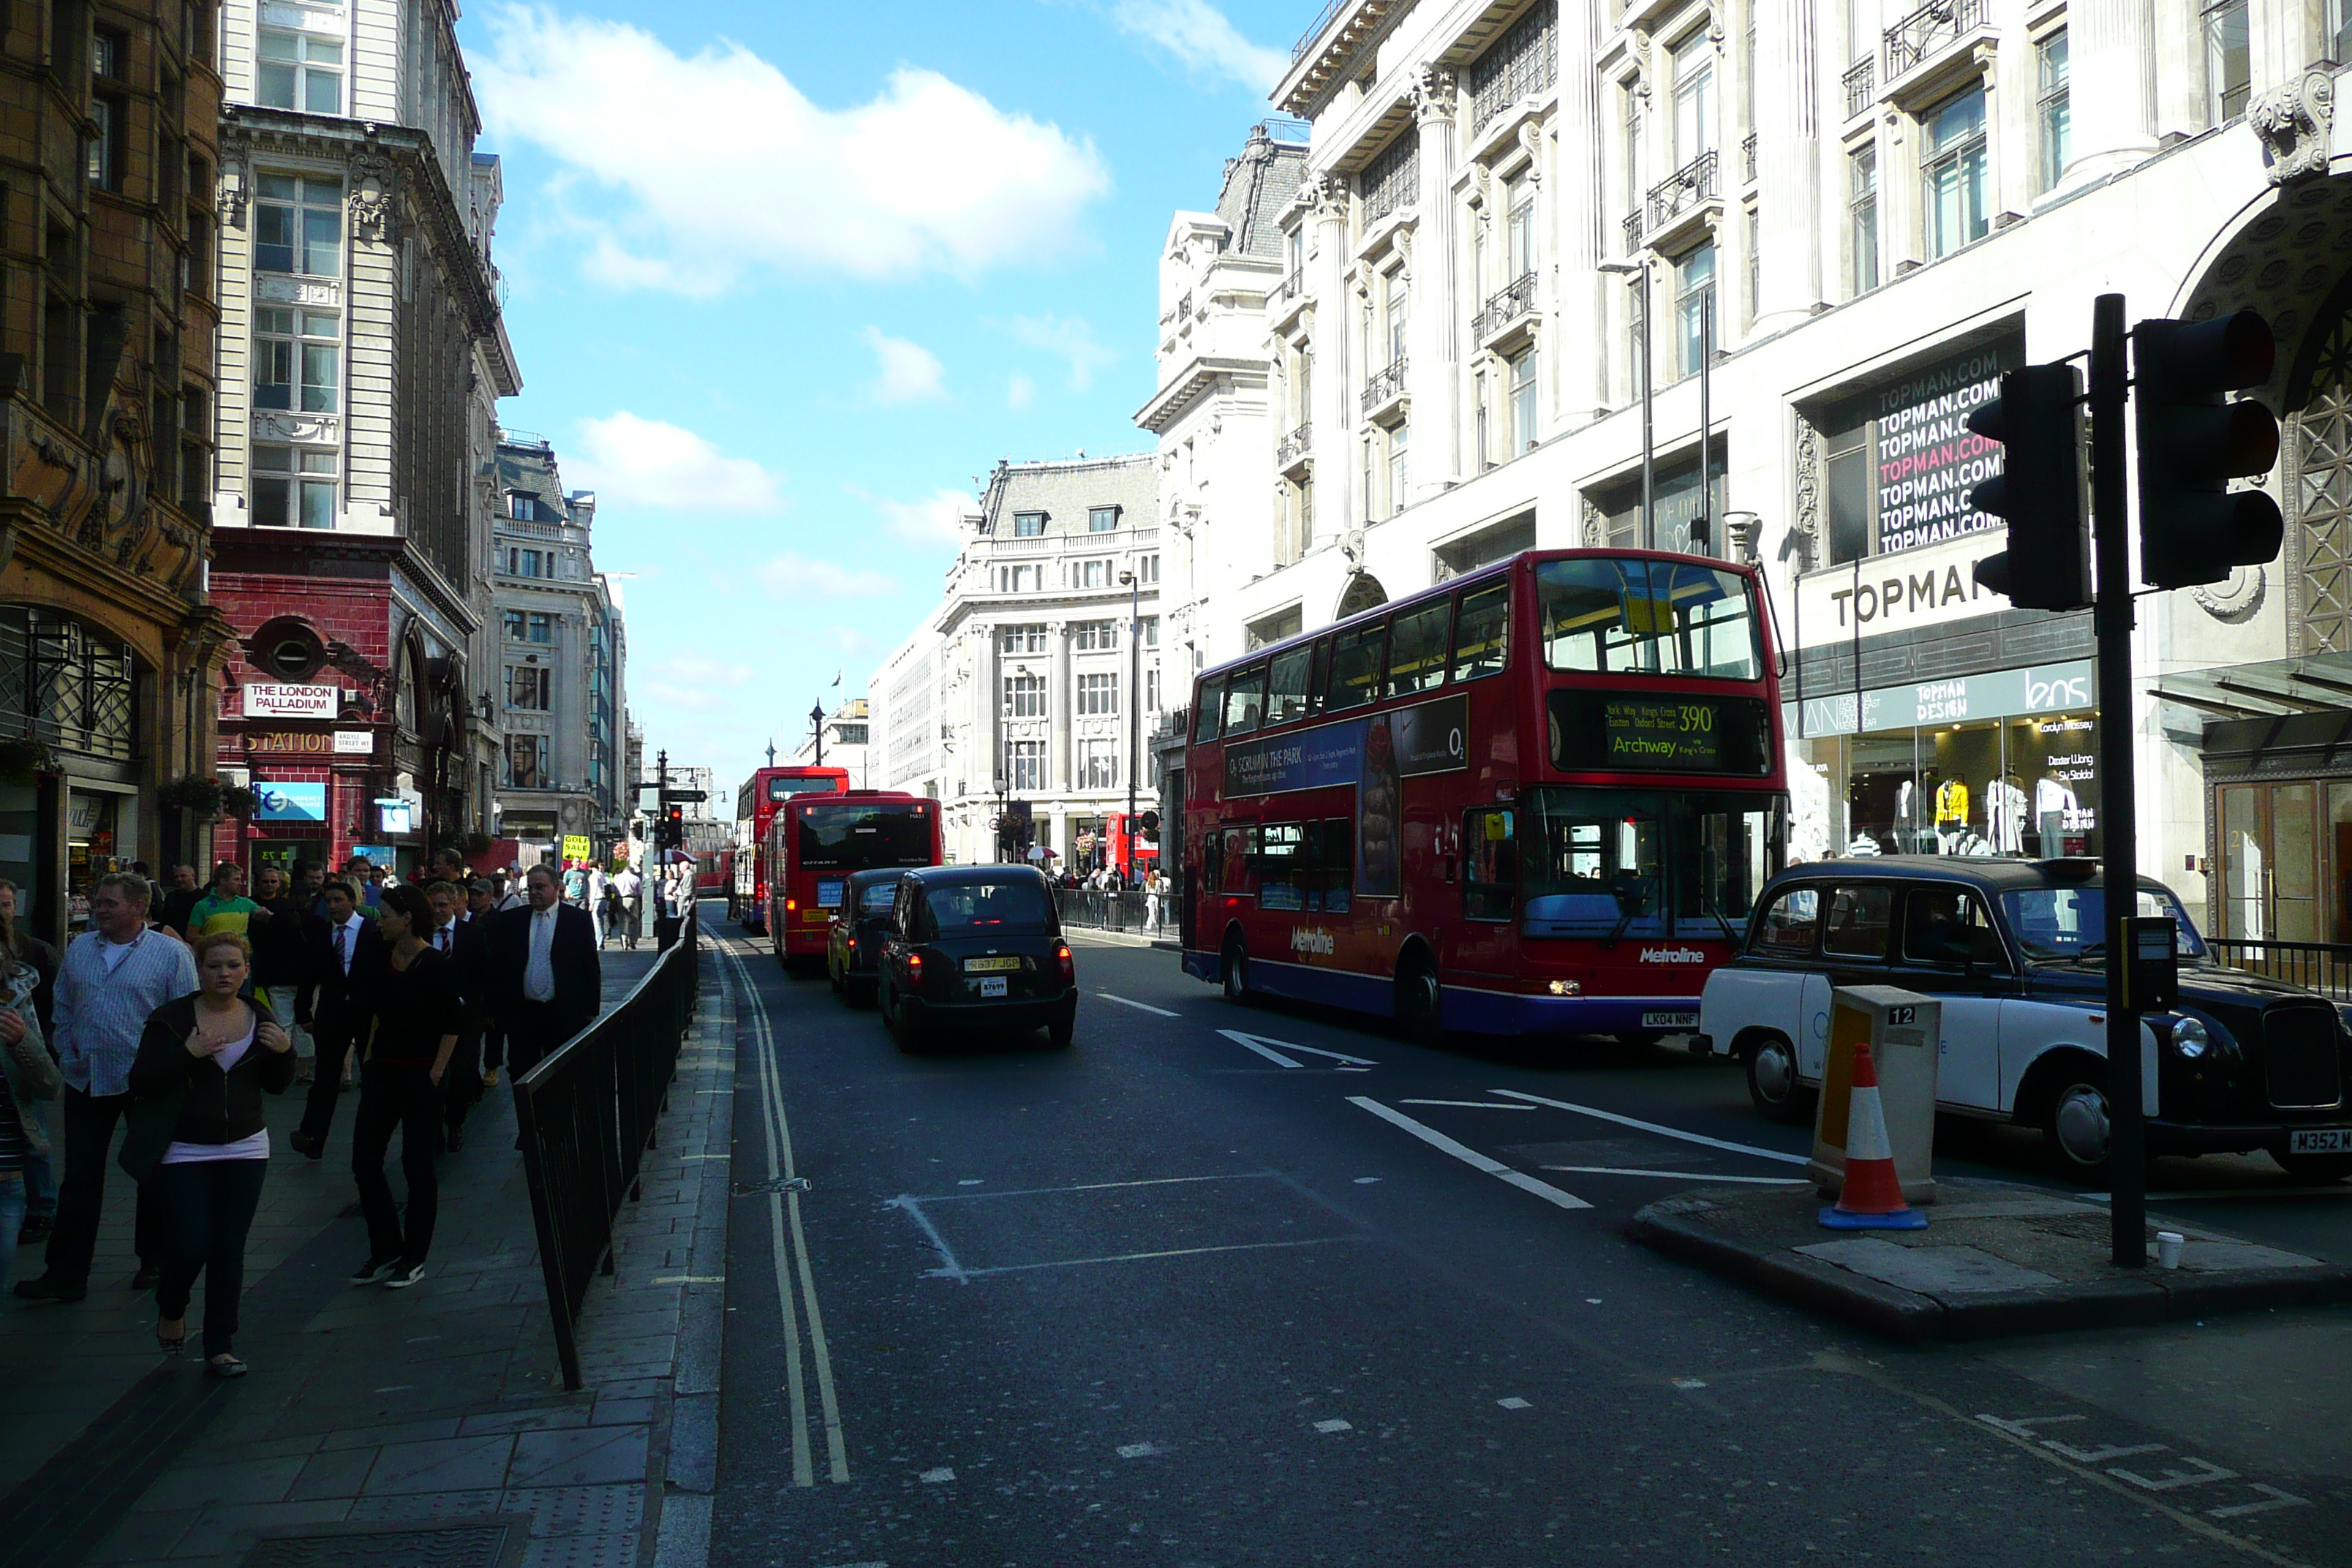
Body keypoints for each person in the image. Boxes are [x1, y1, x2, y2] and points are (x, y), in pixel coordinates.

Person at [12, 874, 197, 1303]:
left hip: (146, 1081)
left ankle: (154, 1261)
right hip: (88, 1075)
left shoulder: (169, 954)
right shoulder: (80, 948)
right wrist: (66, 1048)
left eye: (110, 903)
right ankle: (66, 1274)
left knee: (149, 1172)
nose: (99, 908)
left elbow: (186, 1014)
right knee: (79, 1179)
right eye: (98, 901)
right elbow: (63, 1002)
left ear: (139, 908)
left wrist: (174, 1069)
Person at [129, 932, 293, 1376]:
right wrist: (187, 1054)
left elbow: (277, 1085)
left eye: (234, 966)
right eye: (215, 966)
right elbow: (142, 1082)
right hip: (184, 1149)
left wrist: (284, 1054)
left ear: (246, 970)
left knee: (229, 1248)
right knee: (189, 1246)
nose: (225, 974)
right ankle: (172, 1305)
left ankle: (221, 1343)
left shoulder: (260, 1016)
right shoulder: (171, 1019)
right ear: (198, 971)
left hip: (246, 1146)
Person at [346, 884, 460, 1289]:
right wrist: (370, 1055)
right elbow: (375, 1009)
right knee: (365, 1162)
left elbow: (452, 1025)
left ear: (407, 917)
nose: (380, 922)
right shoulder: (380, 956)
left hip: (420, 1076)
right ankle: (386, 1247)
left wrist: (435, 1074)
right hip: (383, 1072)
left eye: (387, 915)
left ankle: (414, 1256)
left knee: (417, 1165)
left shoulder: (435, 964)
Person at [288, 879, 384, 1158]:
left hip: (367, 1012)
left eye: (338, 900)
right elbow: (309, 974)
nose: (332, 907)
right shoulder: (320, 934)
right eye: (328, 901)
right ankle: (313, 1135)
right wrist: (303, 1010)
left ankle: (370, 1139)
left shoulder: (372, 932)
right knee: (325, 1077)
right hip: (332, 1012)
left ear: (352, 901)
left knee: (372, 1075)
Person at [488, 864, 600, 1081]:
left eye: (540, 887)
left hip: (563, 1010)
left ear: (556, 888)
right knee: (521, 1070)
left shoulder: (576, 920)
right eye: (530, 888)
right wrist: (496, 1009)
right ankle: (528, 1114)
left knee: (562, 1071)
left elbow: (589, 965)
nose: (534, 892)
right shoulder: (512, 920)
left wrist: (590, 1009)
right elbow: (500, 966)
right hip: (523, 1012)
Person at [0, 879, 61, 1246]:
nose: (2, 912)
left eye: (6, 904)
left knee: (32, 1133)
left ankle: (42, 1208)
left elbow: (55, 1003)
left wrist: (41, 1046)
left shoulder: (35, 952)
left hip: (23, 1056)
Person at [422, 880, 482, 1150]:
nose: (438, 911)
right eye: (432, 906)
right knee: (431, 1075)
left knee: (461, 1074)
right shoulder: (419, 936)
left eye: (443, 905)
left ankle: (455, 1123)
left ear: (455, 904)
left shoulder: (472, 934)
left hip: (464, 1017)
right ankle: (432, 1127)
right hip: (428, 1020)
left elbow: (484, 973)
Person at [248, 866, 311, 1082]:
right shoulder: (253, 906)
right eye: (266, 881)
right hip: (275, 973)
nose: (269, 885)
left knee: (294, 1023)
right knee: (287, 1022)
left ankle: (298, 1067)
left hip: (295, 975)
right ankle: (290, 1065)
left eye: (273, 881)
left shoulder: (283, 912)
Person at [464, 880, 507, 1089]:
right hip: (473, 980)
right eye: (472, 894)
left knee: (493, 1028)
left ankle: (491, 1067)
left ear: (489, 896)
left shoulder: (499, 920)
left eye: (479, 894)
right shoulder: (467, 919)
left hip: (493, 980)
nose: (475, 898)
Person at [187, 862, 258, 938]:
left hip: (241, 949)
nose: (240, 883)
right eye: (236, 880)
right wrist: (214, 942)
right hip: (214, 949)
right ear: (223, 881)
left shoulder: (246, 903)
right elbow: (191, 936)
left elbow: (265, 915)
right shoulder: (202, 905)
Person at [159, 865, 203, 938]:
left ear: (193, 876)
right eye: (176, 877)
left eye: (183, 876)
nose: (179, 879)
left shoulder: (203, 897)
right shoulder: (171, 896)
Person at [610, 863, 643, 951]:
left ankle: (624, 942)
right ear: (631, 871)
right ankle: (633, 941)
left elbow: (613, 889)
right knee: (634, 920)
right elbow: (640, 891)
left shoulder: (617, 877)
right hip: (632, 899)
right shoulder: (635, 878)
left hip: (620, 899)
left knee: (622, 921)